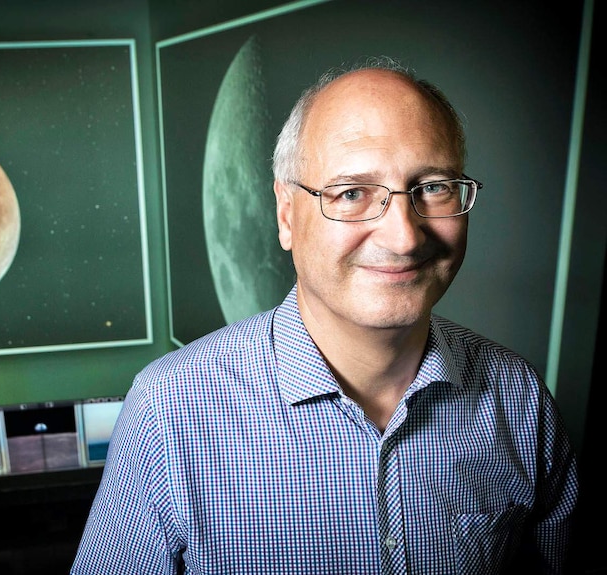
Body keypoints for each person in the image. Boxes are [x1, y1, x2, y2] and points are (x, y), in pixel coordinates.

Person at [70, 56, 578, 574]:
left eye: (432, 187)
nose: (404, 237)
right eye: (352, 193)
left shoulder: (519, 398)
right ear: (286, 214)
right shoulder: (168, 413)